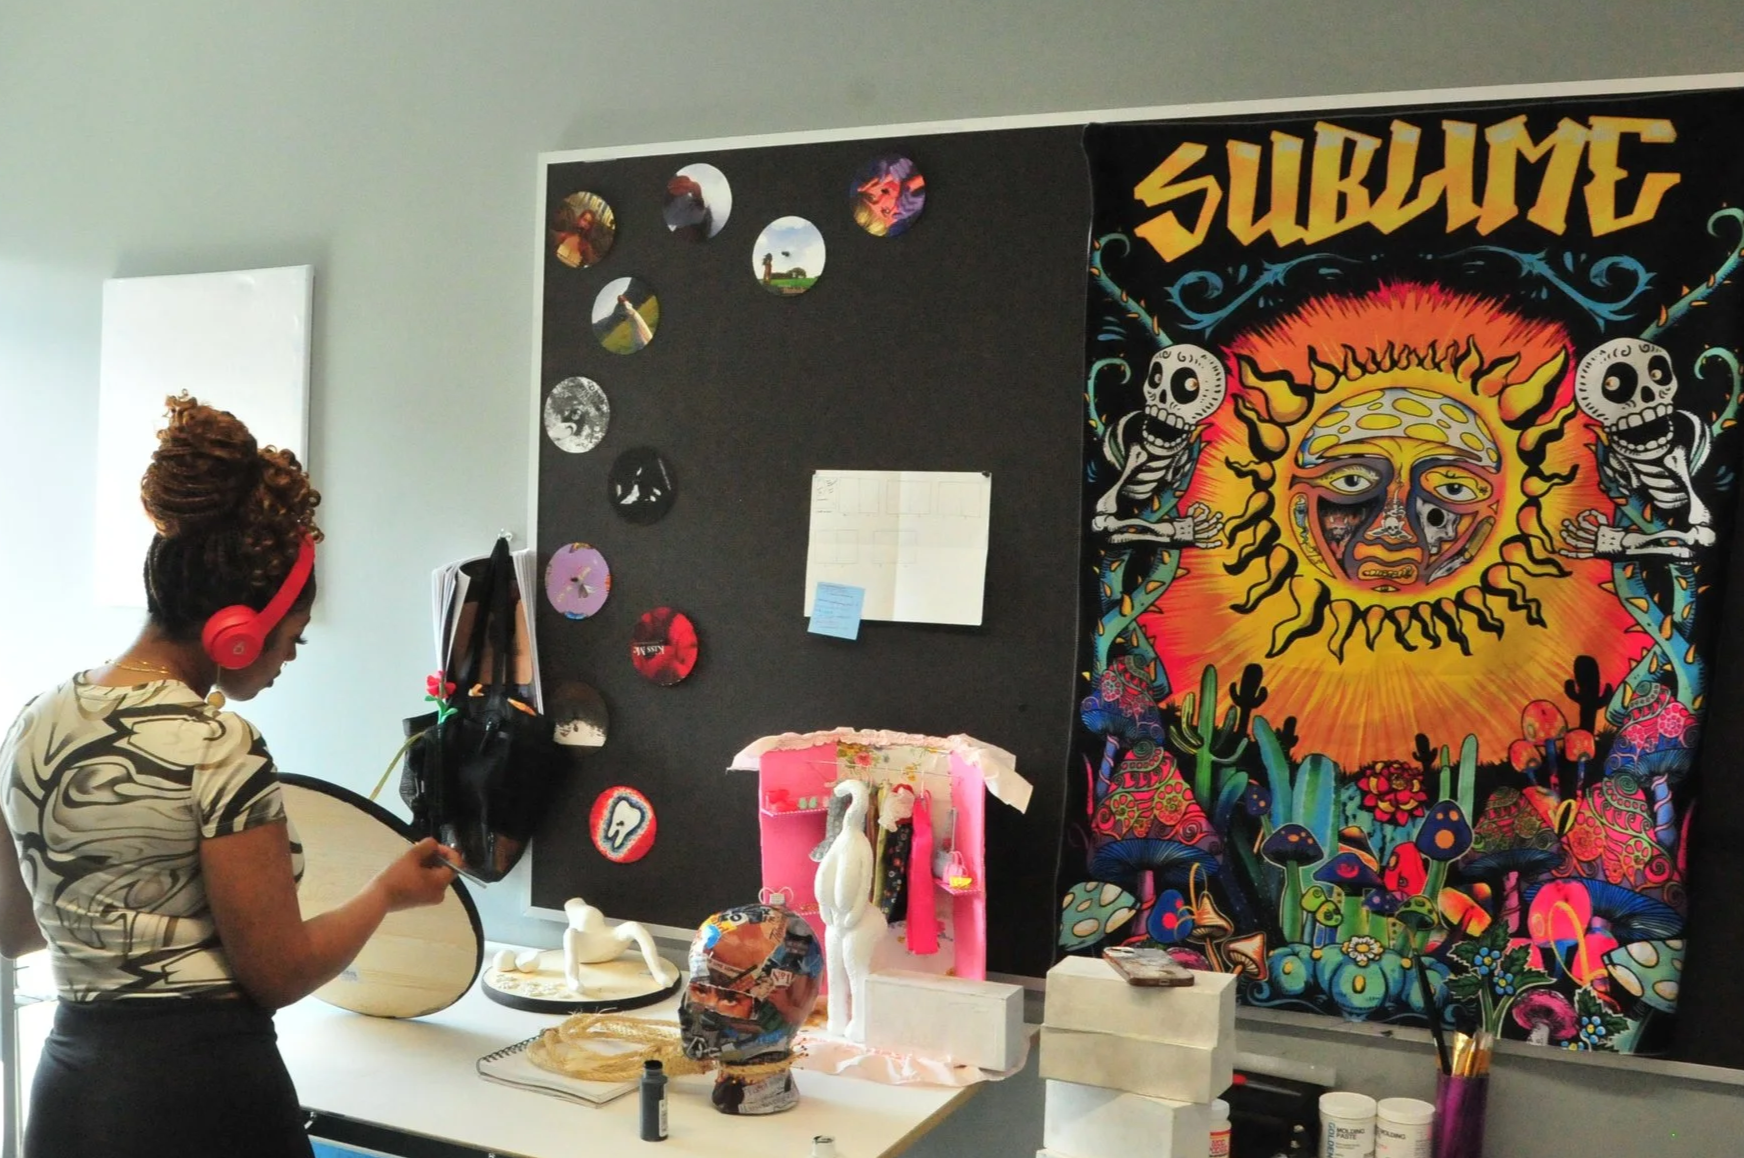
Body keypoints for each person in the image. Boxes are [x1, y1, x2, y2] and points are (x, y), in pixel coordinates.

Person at [0, 394, 459, 1158]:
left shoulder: (35, 719)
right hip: (202, 1102)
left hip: (73, 1099)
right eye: (292, 637)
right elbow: (276, 973)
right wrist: (386, 894)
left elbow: (12, 928)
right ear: (239, 631)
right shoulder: (218, 745)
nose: (289, 657)